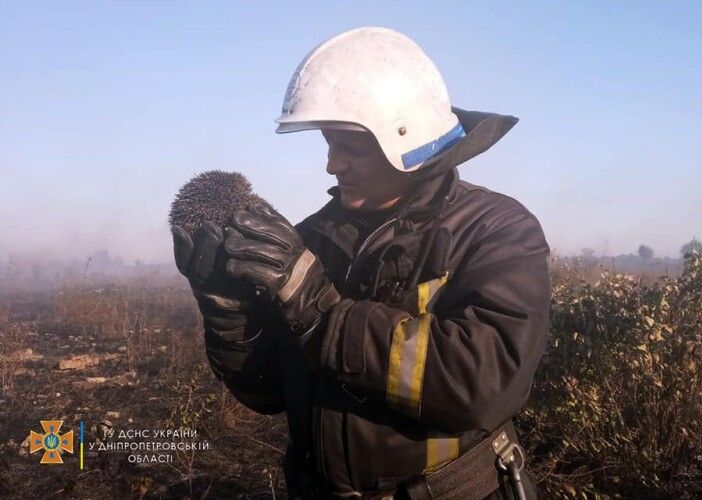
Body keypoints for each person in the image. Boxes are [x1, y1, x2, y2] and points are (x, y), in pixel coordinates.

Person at [172, 27, 551, 500]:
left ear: (404, 137)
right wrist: (228, 311)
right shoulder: (308, 239)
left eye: (349, 146)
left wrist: (317, 309)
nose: (332, 165)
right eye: (328, 144)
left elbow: (485, 383)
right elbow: (266, 394)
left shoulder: (495, 229)